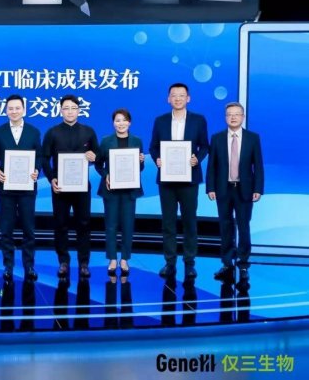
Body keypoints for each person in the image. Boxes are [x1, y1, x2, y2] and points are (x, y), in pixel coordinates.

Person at [149, 83, 209, 279]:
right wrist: (157, 159)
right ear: (168, 99)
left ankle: (189, 263)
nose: (177, 98)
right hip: (166, 180)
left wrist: (197, 159)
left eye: (181, 95)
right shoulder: (160, 121)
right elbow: (153, 147)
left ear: (188, 98)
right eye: (174, 95)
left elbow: (205, 146)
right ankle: (170, 263)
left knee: (189, 222)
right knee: (168, 223)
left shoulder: (198, 120)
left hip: (189, 179)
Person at [42, 94, 99, 279]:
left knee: (84, 223)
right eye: (66, 108)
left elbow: (97, 156)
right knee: (61, 224)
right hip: (60, 187)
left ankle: (84, 263)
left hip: (82, 187)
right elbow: (44, 158)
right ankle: (63, 261)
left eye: (73, 108)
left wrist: (94, 157)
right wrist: (51, 179)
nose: (70, 112)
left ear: (79, 110)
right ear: (60, 111)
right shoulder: (52, 132)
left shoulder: (88, 131)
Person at [207, 102, 264, 282]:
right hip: (223, 188)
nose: (233, 117)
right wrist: (210, 187)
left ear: (243, 117)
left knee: (243, 226)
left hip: (244, 189)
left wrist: (258, 188)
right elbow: (212, 166)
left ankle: (243, 264)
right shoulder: (217, 138)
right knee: (225, 226)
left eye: (236, 114)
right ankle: (226, 263)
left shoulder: (252, 138)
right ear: (225, 117)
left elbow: (258, 165)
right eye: (229, 114)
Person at [0, 94, 41, 281]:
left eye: (17, 108)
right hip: (6, 188)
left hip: (27, 188)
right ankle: (8, 266)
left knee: (29, 229)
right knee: (6, 229)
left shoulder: (34, 132)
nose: (14, 111)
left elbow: (39, 156)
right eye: (10, 108)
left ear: (24, 110)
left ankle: (29, 266)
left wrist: (37, 170)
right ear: (6, 111)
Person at [95, 108, 145, 276]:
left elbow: (140, 168)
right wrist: (106, 175)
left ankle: (124, 258)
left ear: (129, 122)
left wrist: (141, 161)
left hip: (130, 189)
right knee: (111, 225)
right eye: (117, 120)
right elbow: (98, 164)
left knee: (128, 225)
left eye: (124, 120)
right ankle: (112, 258)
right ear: (113, 123)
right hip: (111, 189)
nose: (121, 123)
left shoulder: (137, 141)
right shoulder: (106, 141)